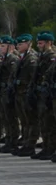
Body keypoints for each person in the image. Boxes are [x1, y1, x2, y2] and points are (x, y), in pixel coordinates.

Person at [13, 34, 39, 156]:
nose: (18, 46)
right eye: (17, 44)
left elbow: (32, 78)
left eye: (21, 44)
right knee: (24, 120)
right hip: (20, 93)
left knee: (31, 121)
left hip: (26, 93)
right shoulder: (22, 58)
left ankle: (30, 145)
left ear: (28, 44)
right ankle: (25, 143)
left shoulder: (31, 58)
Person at [33, 31, 56, 160]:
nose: (38, 45)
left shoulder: (51, 56)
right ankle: (47, 148)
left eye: (41, 43)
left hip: (50, 94)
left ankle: (50, 148)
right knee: (44, 122)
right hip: (44, 93)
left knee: (50, 123)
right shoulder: (43, 55)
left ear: (49, 43)